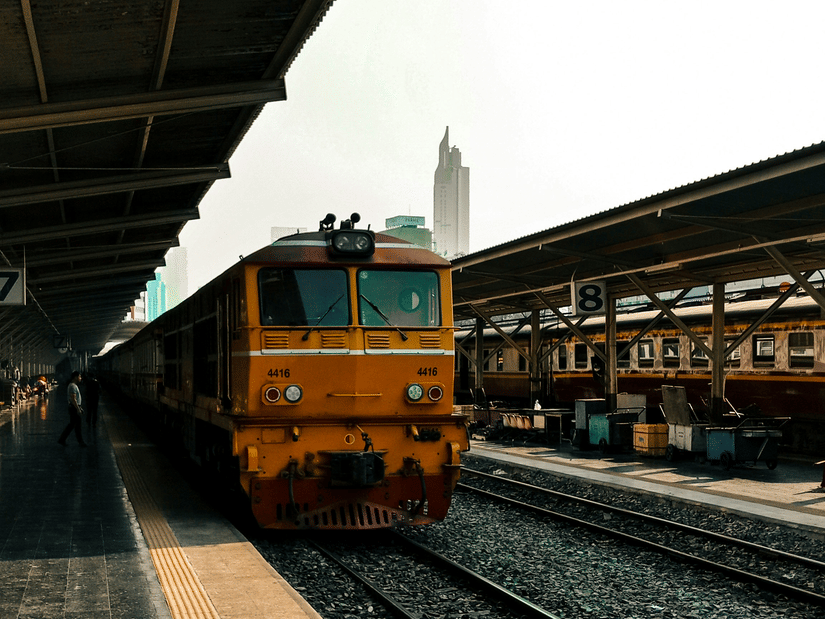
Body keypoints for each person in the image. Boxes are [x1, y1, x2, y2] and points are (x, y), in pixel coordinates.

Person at [57, 371, 86, 447]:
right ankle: (63, 440)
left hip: (74, 407)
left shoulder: (72, 385)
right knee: (74, 425)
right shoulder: (73, 386)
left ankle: (79, 441)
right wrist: (78, 408)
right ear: (75, 377)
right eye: (79, 376)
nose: (80, 378)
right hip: (74, 408)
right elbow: (73, 399)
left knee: (74, 425)